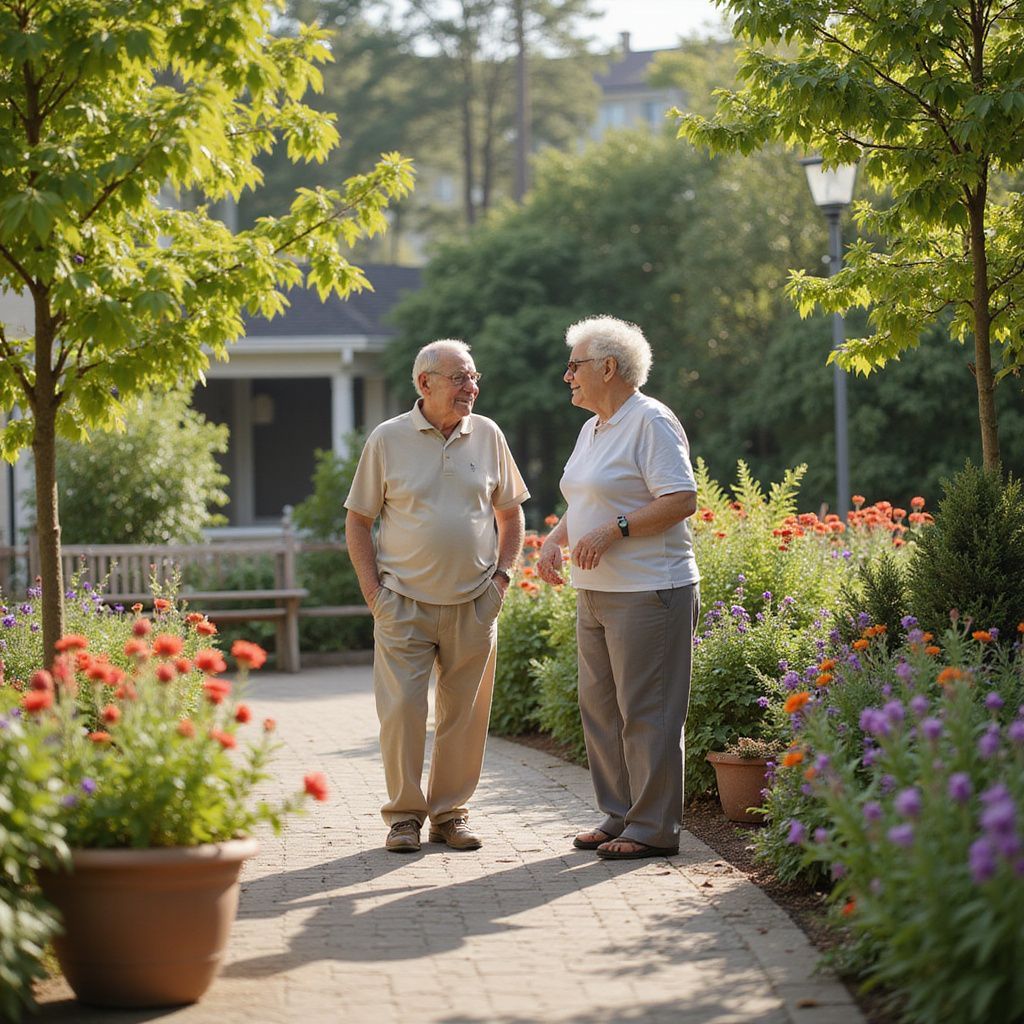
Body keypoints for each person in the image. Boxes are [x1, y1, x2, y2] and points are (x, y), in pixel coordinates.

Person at [345, 339, 529, 853]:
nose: (471, 387)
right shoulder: (387, 439)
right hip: (402, 603)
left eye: (474, 377)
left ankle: (450, 814)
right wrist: (374, 594)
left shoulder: (488, 434)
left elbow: (511, 513)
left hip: (475, 603)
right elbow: (358, 521)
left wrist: (502, 580)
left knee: (463, 717)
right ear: (425, 383)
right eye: (460, 378)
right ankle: (404, 817)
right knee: (402, 712)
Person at [536, 315, 699, 860]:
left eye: (574, 366)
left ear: (608, 368)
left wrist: (615, 530)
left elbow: (680, 499)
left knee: (647, 712)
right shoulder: (593, 428)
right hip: (596, 591)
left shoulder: (650, 421)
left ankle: (653, 828)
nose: (567, 376)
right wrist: (555, 538)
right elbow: (587, 497)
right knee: (602, 711)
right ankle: (619, 815)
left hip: (650, 590)